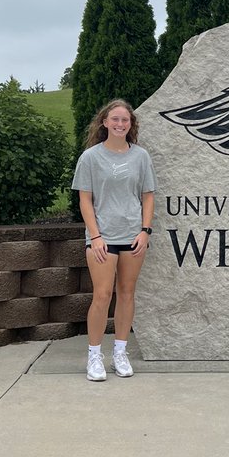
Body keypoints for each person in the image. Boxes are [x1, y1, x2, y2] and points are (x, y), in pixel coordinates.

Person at [71, 99, 156, 381]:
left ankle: (121, 351)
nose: (120, 124)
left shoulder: (141, 157)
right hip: (102, 238)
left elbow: (148, 196)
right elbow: (85, 199)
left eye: (125, 120)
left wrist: (145, 230)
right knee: (102, 294)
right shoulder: (91, 158)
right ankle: (94, 355)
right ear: (104, 122)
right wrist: (95, 236)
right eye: (115, 119)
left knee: (127, 293)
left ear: (131, 125)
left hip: (133, 236)